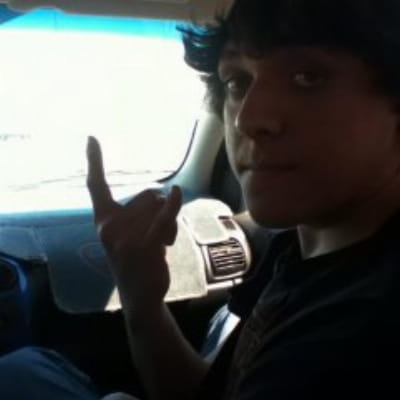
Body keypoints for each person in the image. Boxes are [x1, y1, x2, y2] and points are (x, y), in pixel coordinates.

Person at [3, 0, 400, 398]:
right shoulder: (304, 250)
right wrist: (140, 294)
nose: (248, 118)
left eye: (308, 77)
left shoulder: (360, 335)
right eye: (237, 82)